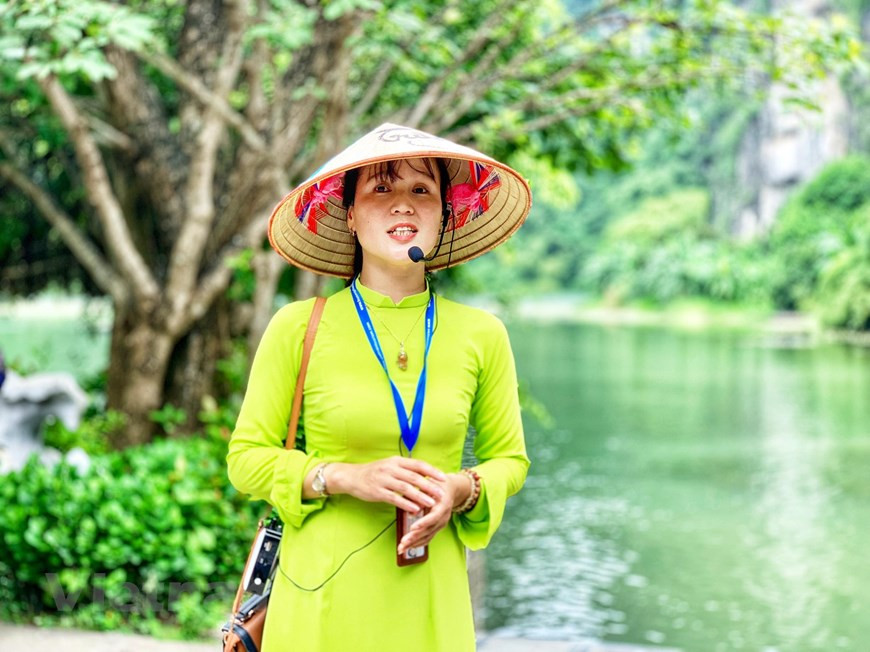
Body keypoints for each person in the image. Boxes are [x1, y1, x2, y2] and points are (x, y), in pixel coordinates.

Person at [227, 123, 532, 651]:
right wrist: (344, 477)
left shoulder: (482, 334)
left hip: (430, 592)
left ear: (444, 212)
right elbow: (245, 459)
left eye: (422, 190)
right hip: (321, 595)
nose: (403, 204)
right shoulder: (299, 327)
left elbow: (510, 460)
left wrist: (460, 489)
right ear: (349, 213)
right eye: (381, 188)